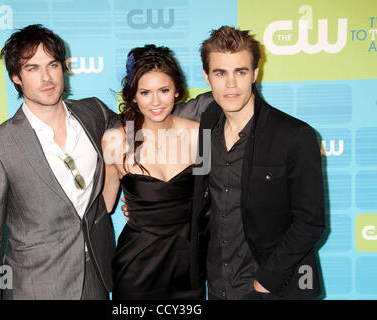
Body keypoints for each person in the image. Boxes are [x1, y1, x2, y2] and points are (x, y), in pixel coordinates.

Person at [125, 26, 325, 300]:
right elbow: (149, 117)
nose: (231, 85)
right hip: (216, 285)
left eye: (240, 72)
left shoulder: (294, 135)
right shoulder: (204, 128)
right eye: (220, 73)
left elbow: (310, 223)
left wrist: (266, 282)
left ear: (255, 73)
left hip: (271, 287)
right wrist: (149, 204)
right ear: (207, 77)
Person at [0, 24, 117, 300]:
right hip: (35, 287)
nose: (47, 78)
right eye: (33, 68)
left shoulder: (94, 113)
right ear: (16, 76)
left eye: (52, 65)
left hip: (95, 280)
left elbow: (139, 132)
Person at [101, 44, 204, 300]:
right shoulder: (116, 141)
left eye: (164, 90)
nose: (155, 102)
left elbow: (213, 199)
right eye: (145, 92)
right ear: (133, 96)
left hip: (189, 268)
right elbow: (101, 207)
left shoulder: (200, 135)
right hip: (136, 268)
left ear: (177, 91)